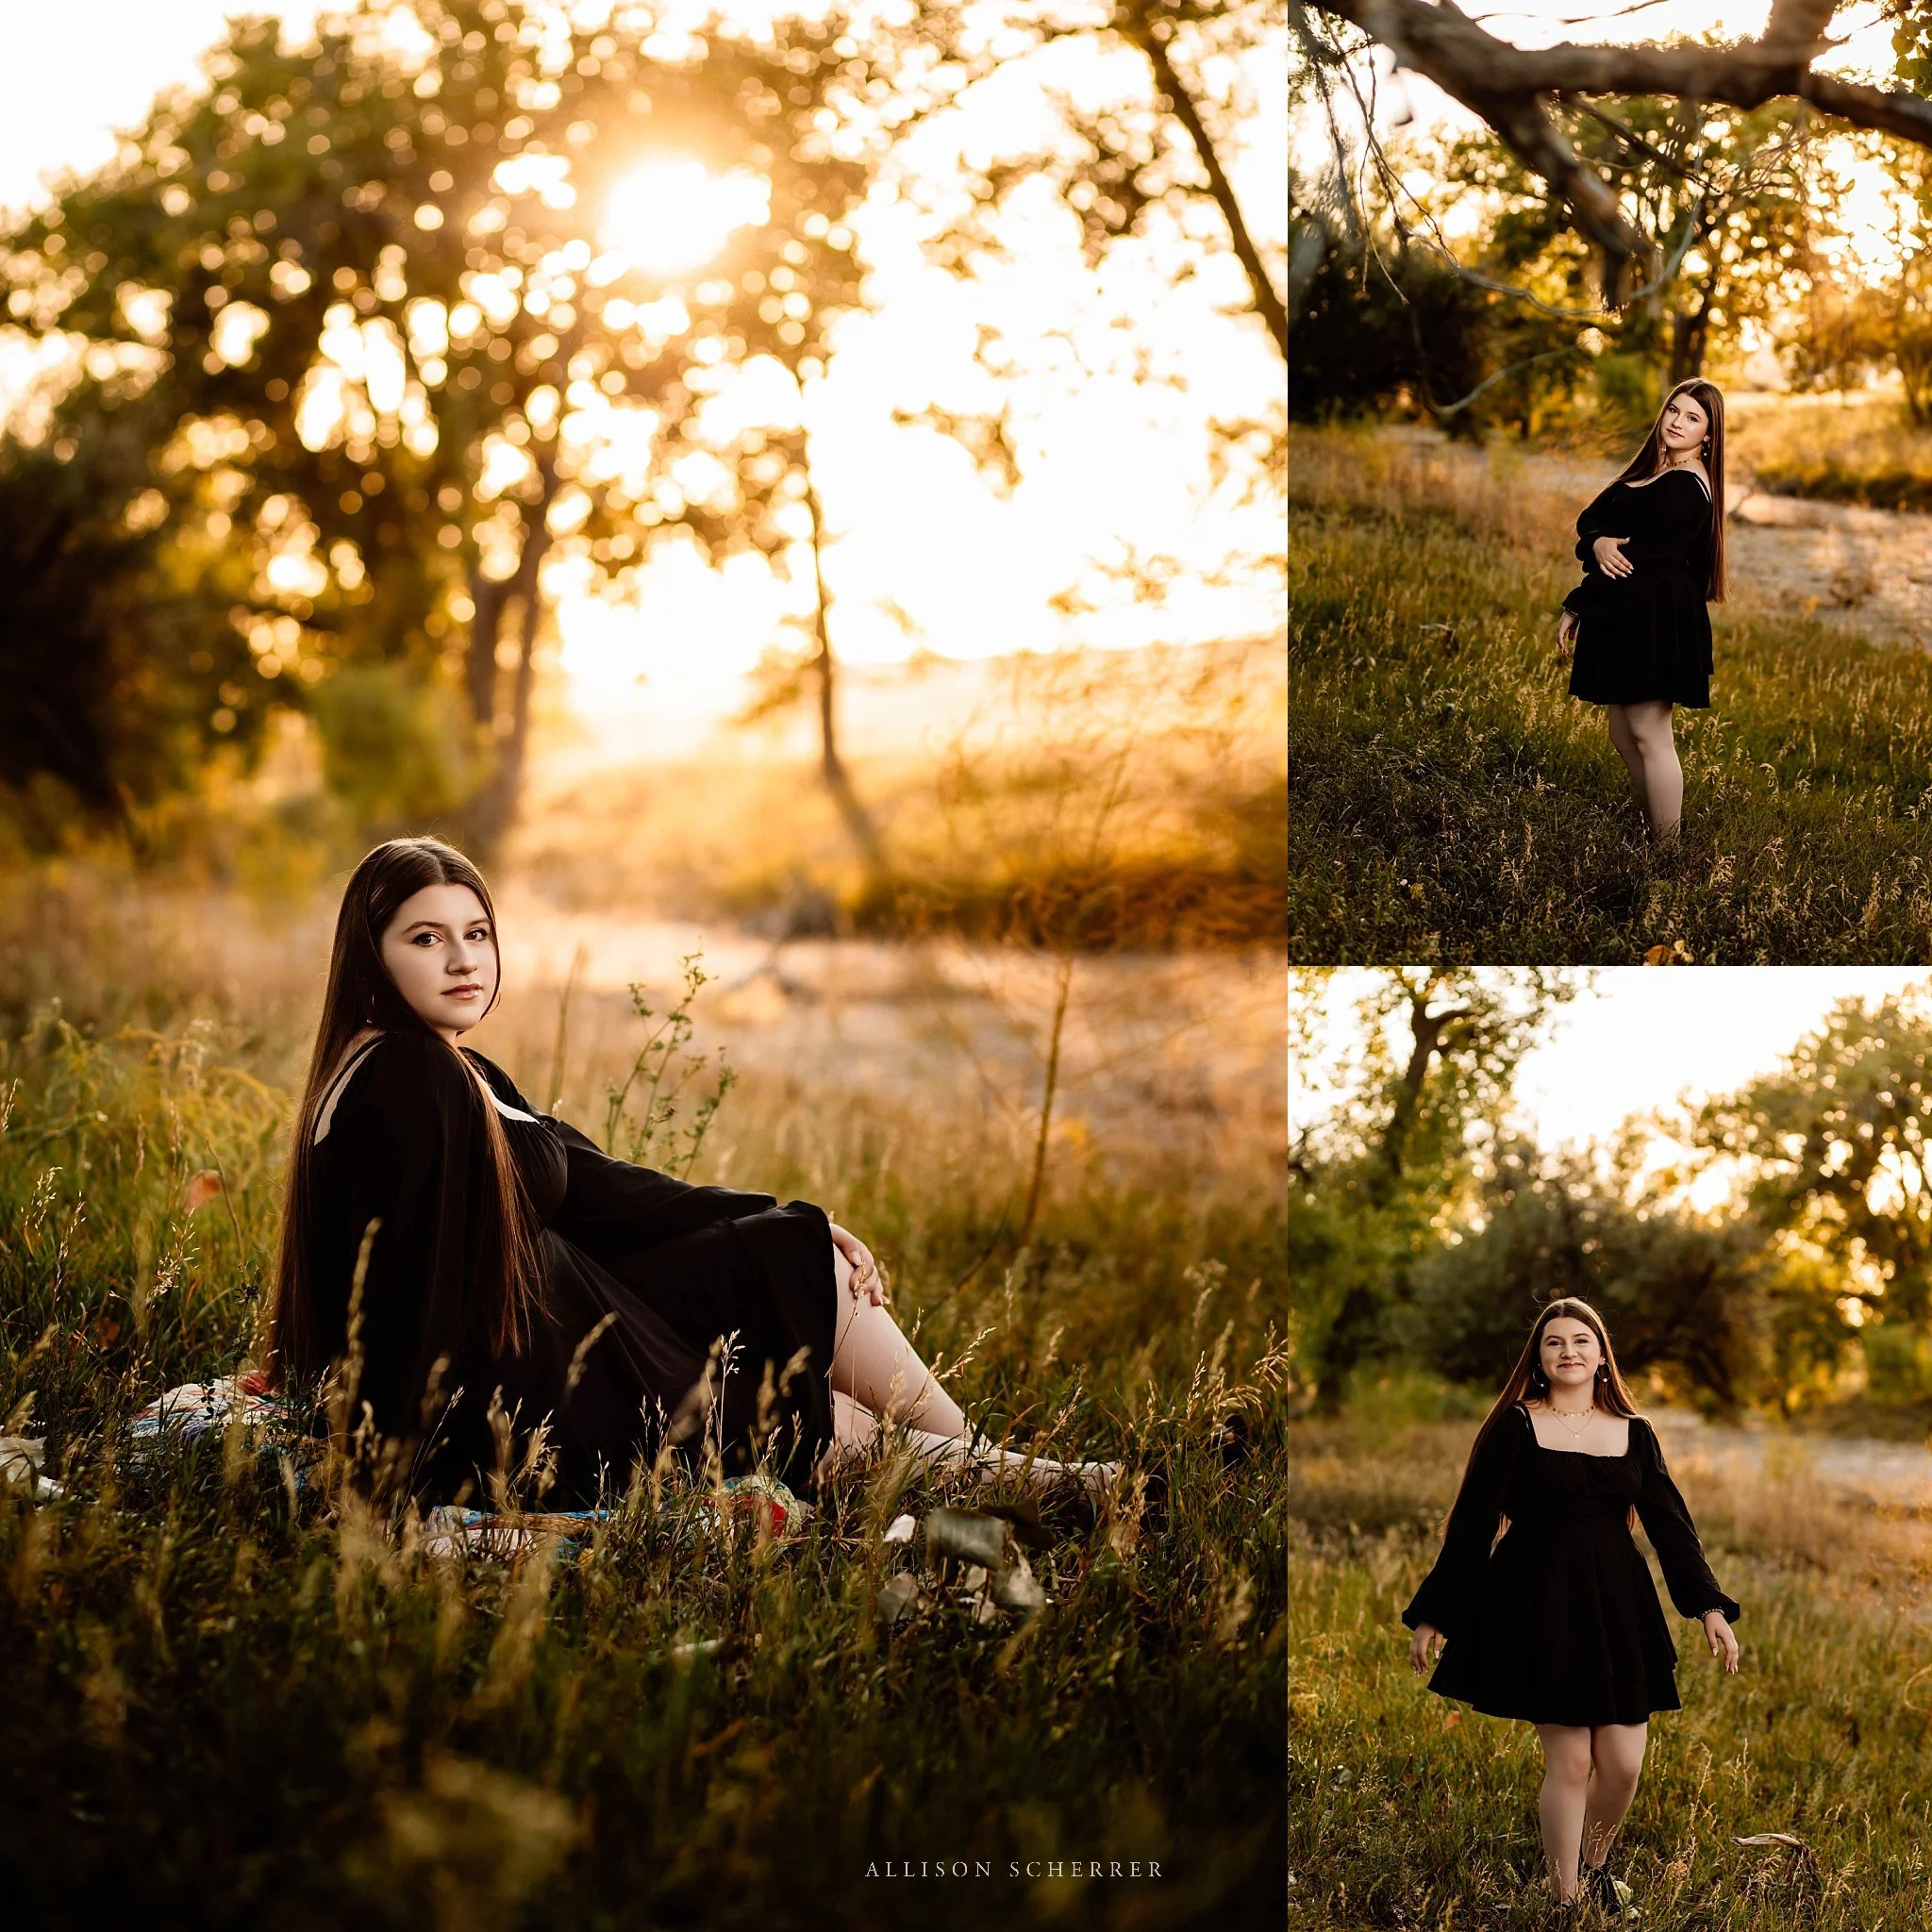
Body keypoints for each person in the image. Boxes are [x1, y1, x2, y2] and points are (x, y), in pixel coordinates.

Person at [267, 836, 1119, 1509]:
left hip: (572, 1323)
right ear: (371, 954)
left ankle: (1022, 1474)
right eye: (426, 938)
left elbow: (603, 1190)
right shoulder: (407, 1078)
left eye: (477, 934)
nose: (463, 961)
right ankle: (1042, 1487)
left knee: (797, 1255)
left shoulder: (456, 1069)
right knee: (815, 1412)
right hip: (537, 1383)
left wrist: (785, 1215)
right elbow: (412, 1290)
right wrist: (402, 1466)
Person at [1401, 1300, 1740, 1917]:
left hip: (1618, 1606)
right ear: (1538, 1358)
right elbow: (1474, 1527)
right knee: (1573, 1759)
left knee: (1624, 1764)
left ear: (1602, 1355)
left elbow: (1671, 1527)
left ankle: (1594, 1865)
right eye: (1554, 1343)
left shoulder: (1635, 1431)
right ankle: (1565, 1898)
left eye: (1581, 1340)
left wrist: (1708, 1608)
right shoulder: (1517, 1426)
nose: (1568, 1352)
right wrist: (1436, 1614)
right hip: (1538, 1603)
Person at [1556, 380, 1729, 848]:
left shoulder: (1686, 487)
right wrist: (1596, 543)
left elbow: (1643, 562)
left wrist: (1579, 601)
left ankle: (1667, 849)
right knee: (1621, 731)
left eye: (1693, 418)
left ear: (1709, 435)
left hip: (1656, 613)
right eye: (1674, 411)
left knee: (1651, 735)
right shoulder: (1653, 470)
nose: (1677, 422)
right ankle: (1653, 823)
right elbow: (1591, 518)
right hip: (1628, 606)